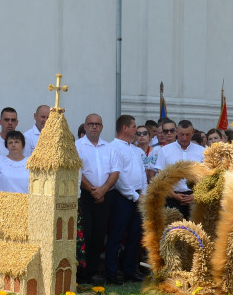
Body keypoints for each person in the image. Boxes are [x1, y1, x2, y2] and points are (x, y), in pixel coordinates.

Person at [76, 114, 118, 283]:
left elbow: (115, 171)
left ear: (101, 127)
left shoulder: (109, 148)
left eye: (97, 124)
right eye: (90, 124)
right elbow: (76, 172)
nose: (94, 127)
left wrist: (103, 190)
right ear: (85, 127)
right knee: (85, 235)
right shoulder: (77, 146)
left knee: (99, 236)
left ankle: (92, 272)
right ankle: (81, 274)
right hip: (85, 196)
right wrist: (93, 190)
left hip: (105, 195)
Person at [106, 115, 147, 284]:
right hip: (122, 198)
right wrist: (135, 196)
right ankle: (111, 273)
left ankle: (130, 270)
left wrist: (143, 193)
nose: (136, 130)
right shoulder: (113, 147)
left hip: (138, 196)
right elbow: (119, 177)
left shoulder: (136, 150)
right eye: (134, 126)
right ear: (125, 128)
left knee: (135, 236)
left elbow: (142, 174)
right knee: (116, 235)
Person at [153, 120, 206, 218]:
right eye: (181, 134)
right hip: (172, 198)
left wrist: (196, 195)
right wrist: (173, 195)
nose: (184, 138)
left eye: (187, 135)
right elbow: (160, 178)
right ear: (176, 132)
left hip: (195, 199)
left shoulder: (202, 151)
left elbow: (207, 178)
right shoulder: (165, 151)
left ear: (193, 133)